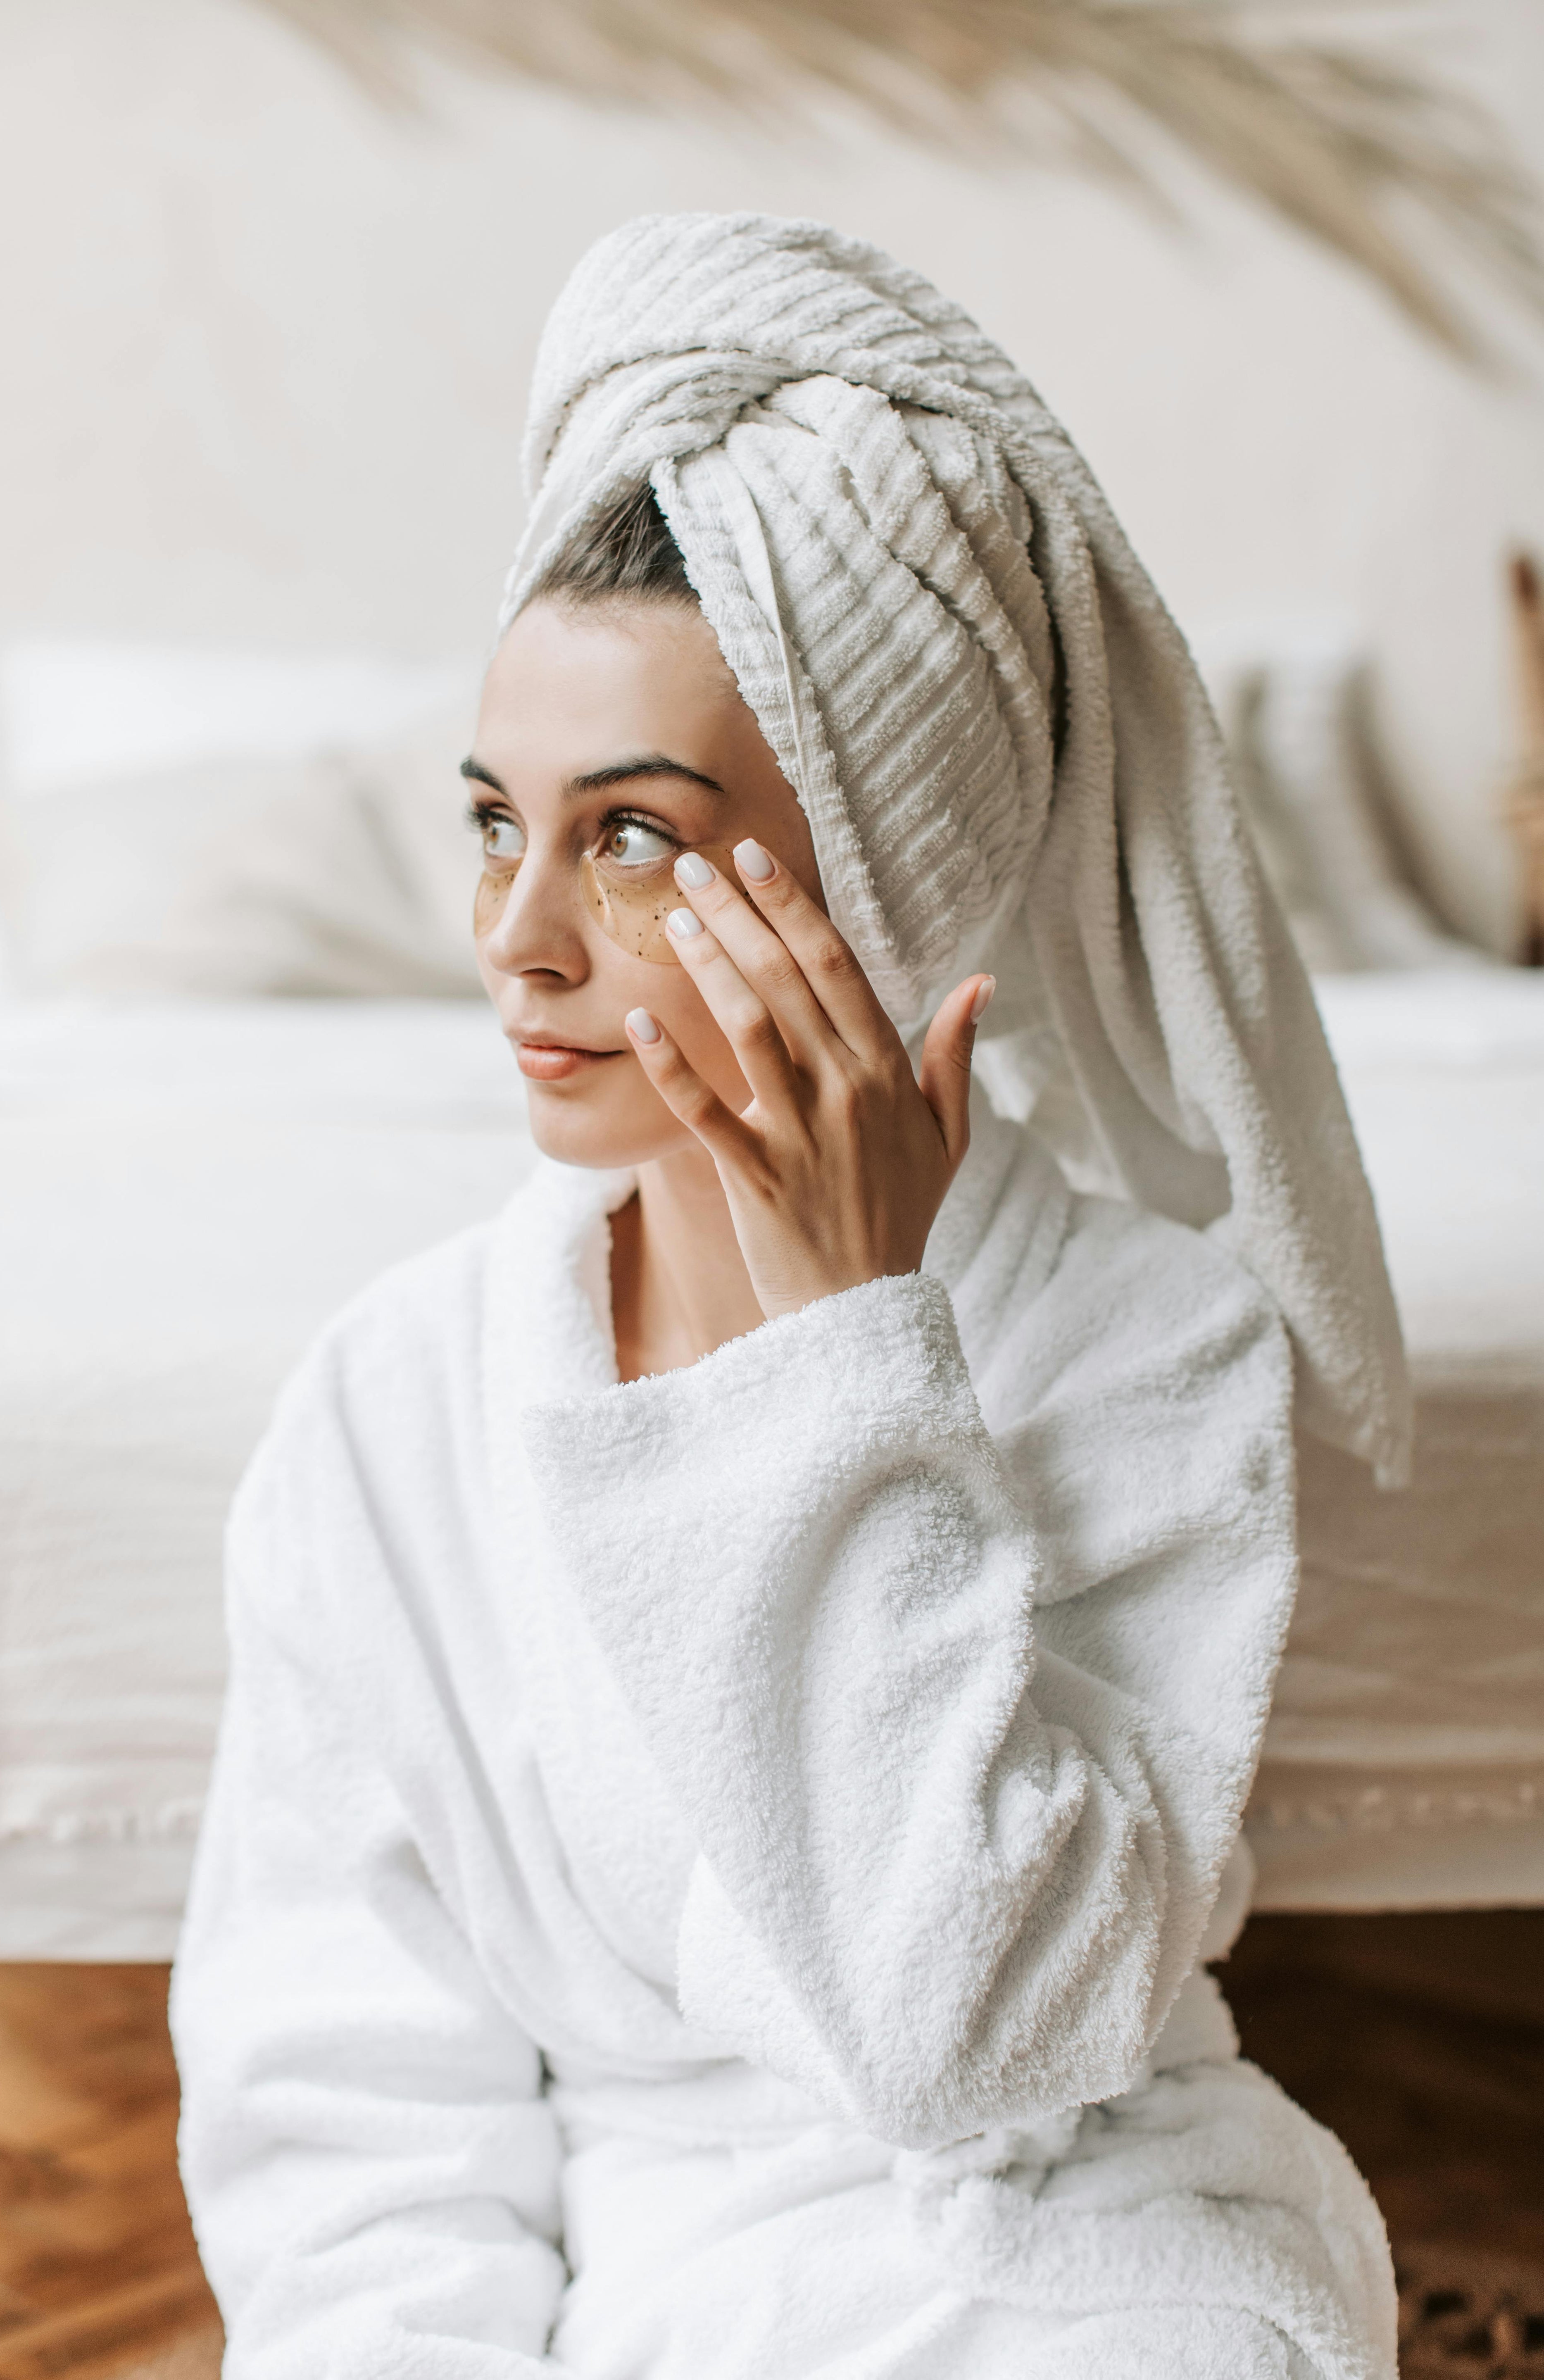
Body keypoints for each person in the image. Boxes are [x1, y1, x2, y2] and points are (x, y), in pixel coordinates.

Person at [172, 214, 1410, 2380]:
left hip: (1087, 2265)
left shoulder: (1149, 1344)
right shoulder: (390, 1406)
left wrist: (843, 1360)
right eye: (495, 821)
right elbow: (343, 2111)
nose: (519, 936)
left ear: (885, 870)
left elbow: (980, 2043)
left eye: (634, 839)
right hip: (643, 2283)